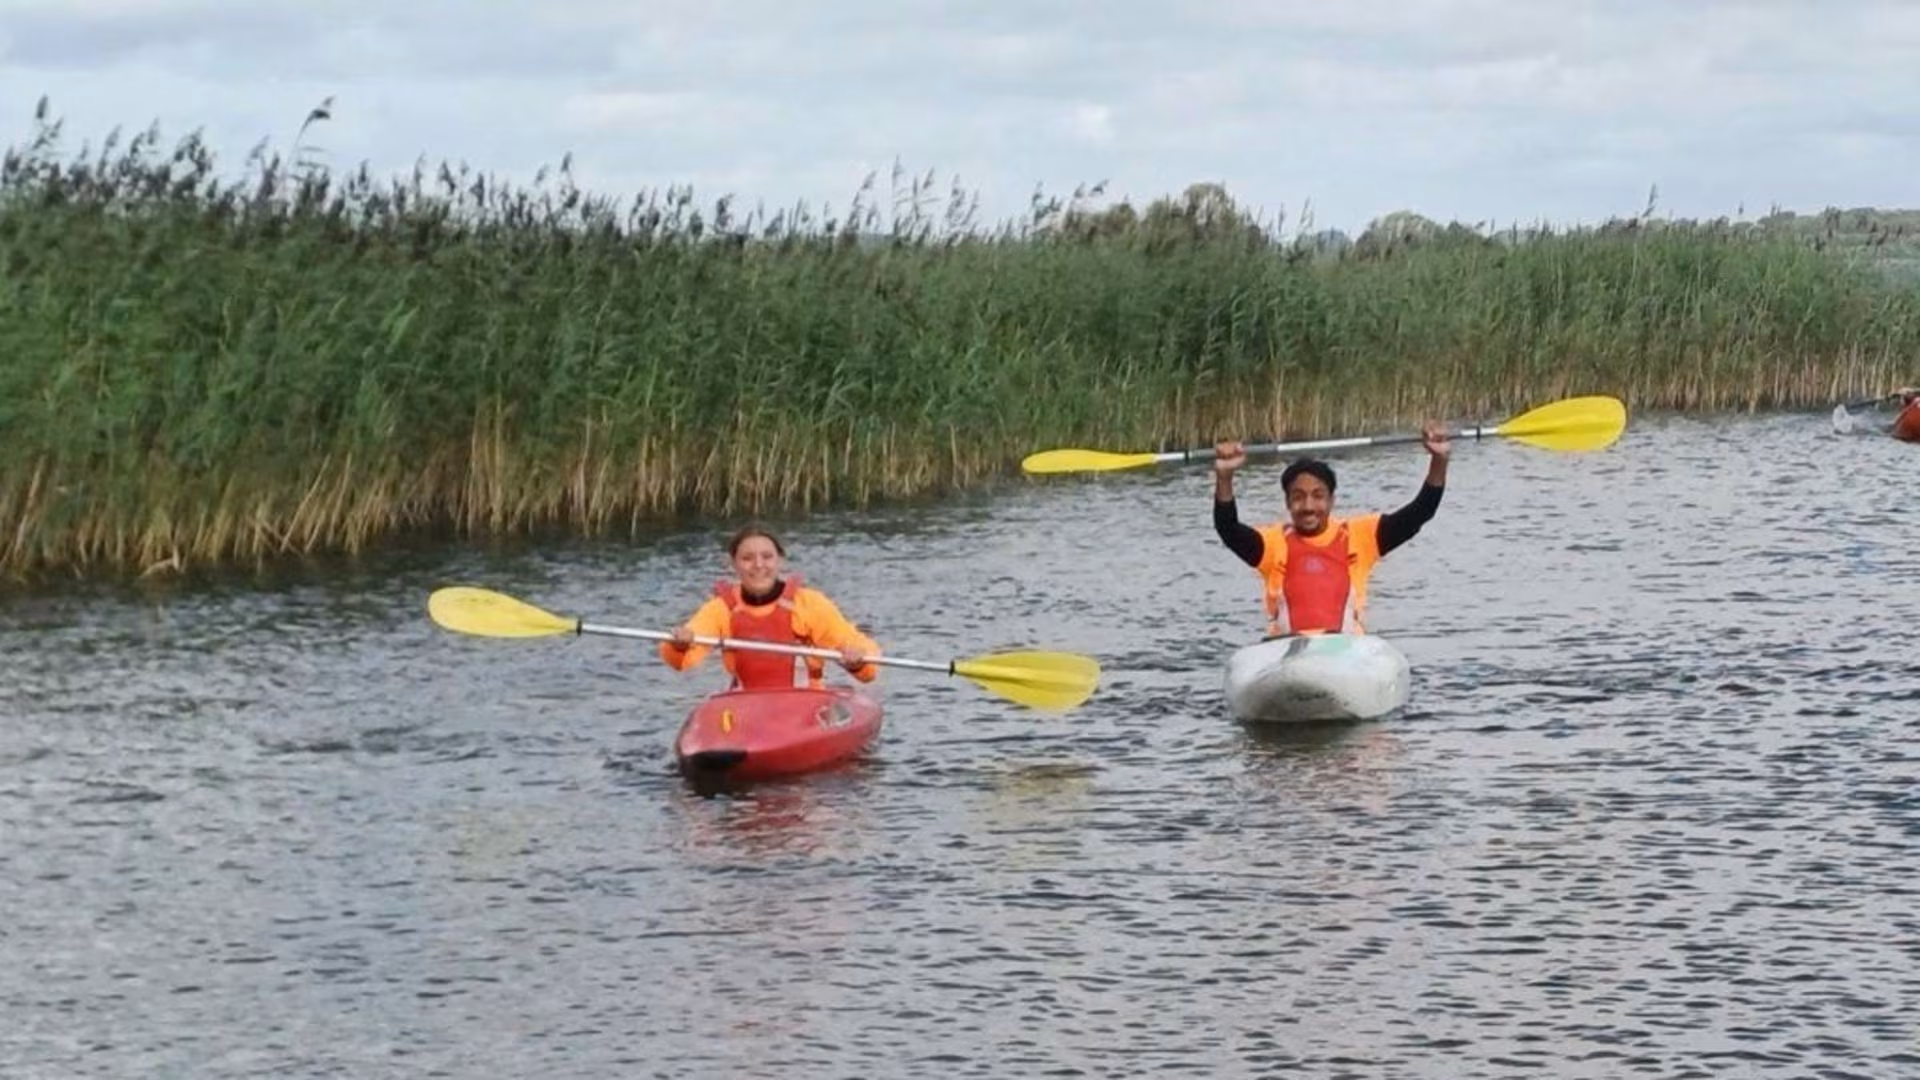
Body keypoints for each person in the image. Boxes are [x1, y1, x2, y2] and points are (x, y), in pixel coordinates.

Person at [1213, 422, 1451, 638]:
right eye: (1298, 497)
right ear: (1287, 503)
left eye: (1318, 496)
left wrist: (1439, 461)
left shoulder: (1360, 535)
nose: (1308, 507)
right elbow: (1228, 528)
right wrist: (1225, 476)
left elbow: (1421, 512)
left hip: (1345, 651)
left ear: (1331, 501)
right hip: (1286, 651)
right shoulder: (1272, 544)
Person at [660, 525, 881, 690]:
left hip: (805, 705)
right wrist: (679, 644)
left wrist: (857, 659)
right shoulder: (721, 609)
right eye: (747, 558)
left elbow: (865, 663)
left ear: (779, 560)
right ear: (733, 564)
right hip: (748, 705)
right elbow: (682, 659)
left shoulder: (809, 604)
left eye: (767, 557)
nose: (758, 565)